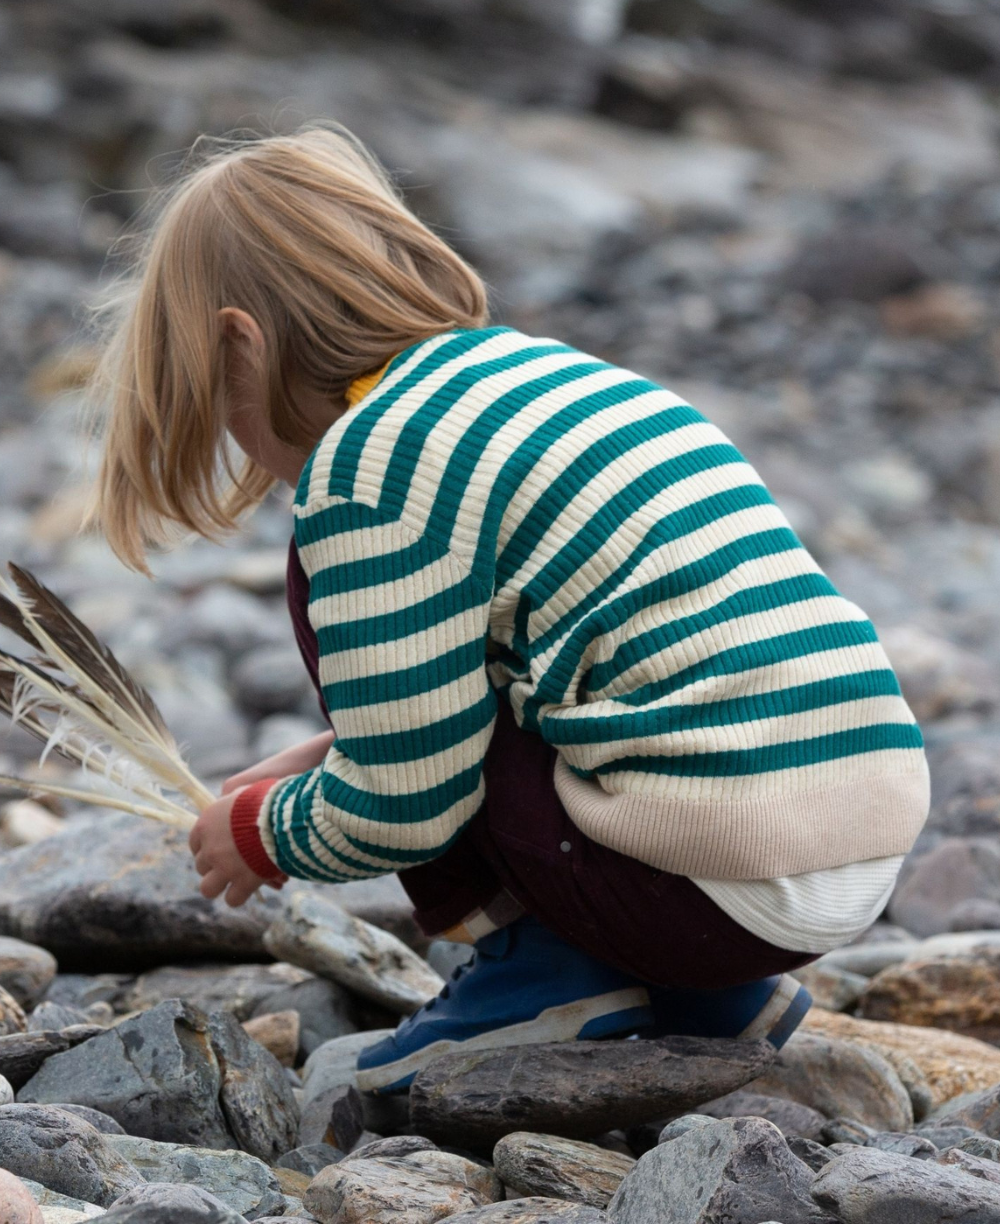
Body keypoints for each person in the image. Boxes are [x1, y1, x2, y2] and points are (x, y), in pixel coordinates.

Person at [87, 121, 930, 1094]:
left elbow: (409, 797)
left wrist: (266, 831)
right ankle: (710, 996)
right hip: (846, 836)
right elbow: (594, 660)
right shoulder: (538, 375)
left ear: (241, 343)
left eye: (214, 403)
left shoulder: (366, 469)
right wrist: (326, 752)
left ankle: (544, 973)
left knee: (321, 577)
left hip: (715, 887)